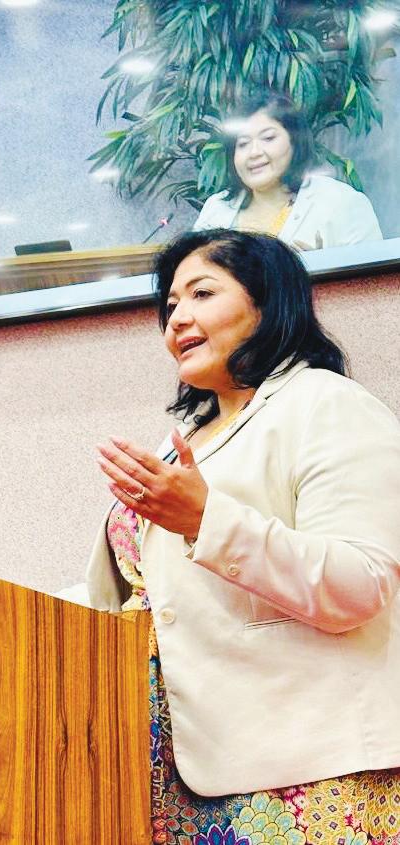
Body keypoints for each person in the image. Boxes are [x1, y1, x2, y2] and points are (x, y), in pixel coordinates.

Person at [87, 228, 400, 843]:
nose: (178, 318)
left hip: (303, 772)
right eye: (170, 304)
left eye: (202, 293)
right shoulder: (181, 441)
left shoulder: (325, 404)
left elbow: (361, 583)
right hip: (173, 764)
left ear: (268, 301)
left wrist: (205, 520)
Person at [193, 92, 383, 250]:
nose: (254, 152)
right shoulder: (216, 209)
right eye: (242, 144)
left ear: (295, 142)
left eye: (268, 138)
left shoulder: (340, 202)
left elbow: (371, 282)